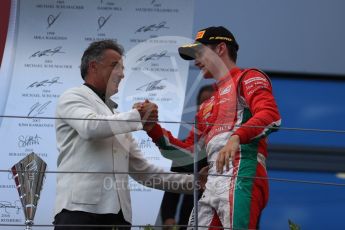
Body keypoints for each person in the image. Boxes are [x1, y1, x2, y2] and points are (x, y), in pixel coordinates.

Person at [53, 40, 202, 230]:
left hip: (119, 218)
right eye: (115, 66)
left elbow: (146, 173)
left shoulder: (116, 118)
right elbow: (90, 127)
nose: (122, 74)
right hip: (79, 214)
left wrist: (196, 182)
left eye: (123, 68)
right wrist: (140, 116)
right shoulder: (72, 96)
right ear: (93, 66)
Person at [144, 26, 281, 229]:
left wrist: (236, 137)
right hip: (213, 183)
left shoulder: (248, 77)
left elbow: (270, 115)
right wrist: (151, 127)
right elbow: (186, 153)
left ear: (220, 49)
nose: (196, 61)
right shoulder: (207, 104)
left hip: (243, 173)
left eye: (200, 53)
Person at [160, 85, 214, 230]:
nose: (206, 108)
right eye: (202, 103)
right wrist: (168, 216)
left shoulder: (228, 147)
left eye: (211, 104)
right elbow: (174, 183)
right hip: (188, 218)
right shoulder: (185, 146)